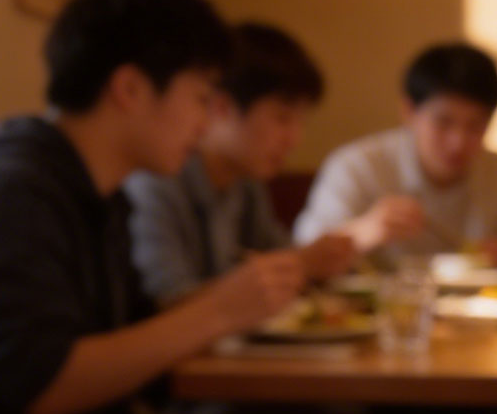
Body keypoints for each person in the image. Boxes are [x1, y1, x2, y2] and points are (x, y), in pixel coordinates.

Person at [0, 0, 305, 414]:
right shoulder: (9, 193)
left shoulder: (93, 189)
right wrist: (220, 311)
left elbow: (134, 330)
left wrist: (235, 299)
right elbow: (45, 391)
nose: (206, 122)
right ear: (129, 88)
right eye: (200, 97)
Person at [125, 22, 356, 308]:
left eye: (300, 121)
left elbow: (277, 253)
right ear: (221, 108)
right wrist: (300, 264)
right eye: (282, 118)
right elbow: (164, 303)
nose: (295, 139)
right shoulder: (156, 181)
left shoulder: (246, 183)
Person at [292, 42, 497, 263]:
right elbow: (304, 254)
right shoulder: (357, 166)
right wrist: (364, 231)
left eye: (475, 125)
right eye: (444, 122)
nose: (458, 142)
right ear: (409, 111)